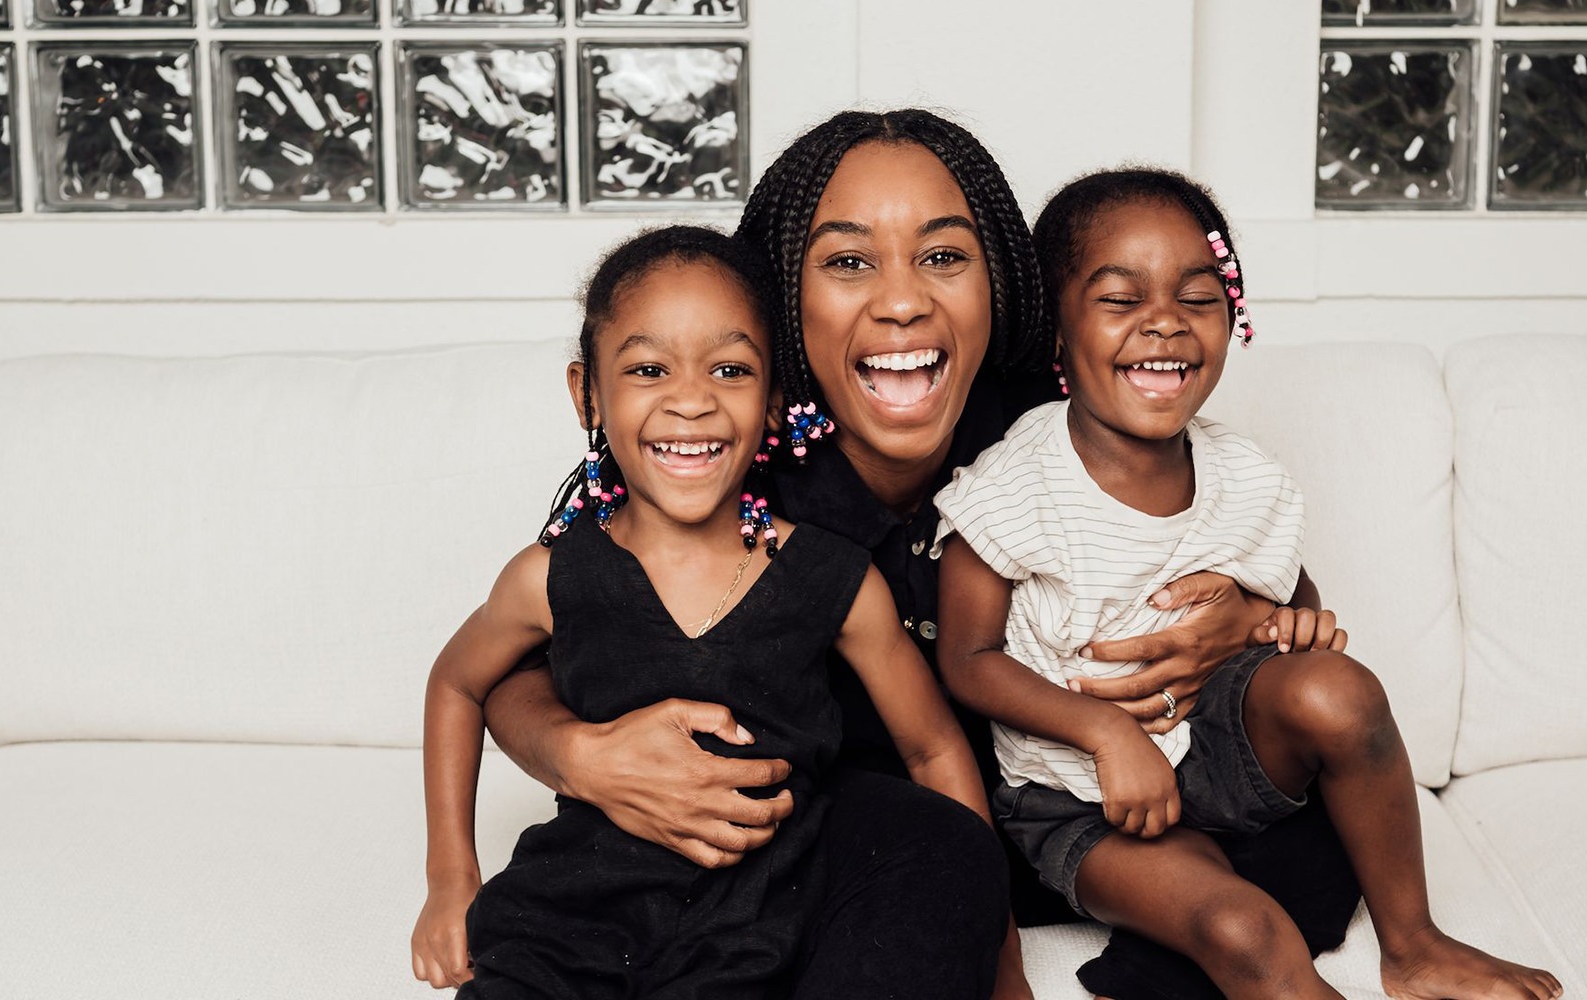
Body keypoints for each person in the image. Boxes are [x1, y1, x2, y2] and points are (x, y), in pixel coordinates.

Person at [480, 109, 1358, 1000]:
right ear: (782, 299)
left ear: (1001, 284)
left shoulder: (1057, 429)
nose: (902, 300)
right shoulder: (719, 464)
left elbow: (1247, 538)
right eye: (848, 260)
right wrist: (575, 754)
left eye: (943, 256)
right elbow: (523, 658)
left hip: (1103, 812)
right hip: (839, 862)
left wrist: (1246, 622)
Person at [934, 166, 1563, 1000]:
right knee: (1245, 930)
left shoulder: (1246, 476)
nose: (1164, 323)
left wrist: (1288, 623)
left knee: (1341, 690)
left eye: (1197, 299)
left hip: (1214, 754)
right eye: (1122, 301)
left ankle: (1415, 946)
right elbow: (968, 659)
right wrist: (1107, 734)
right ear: (1056, 330)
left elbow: (1289, 596)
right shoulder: (1014, 486)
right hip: (1077, 797)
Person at [410, 225, 996, 997]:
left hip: (765, 919)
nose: (691, 400)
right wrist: (451, 877)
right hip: (575, 917)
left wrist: (997, 947)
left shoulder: (833, 580)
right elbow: (456, 685)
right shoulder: (549, 576)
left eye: (730, 368)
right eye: (649, 369)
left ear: (775, 394)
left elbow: (932, 751)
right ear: (588, 393)